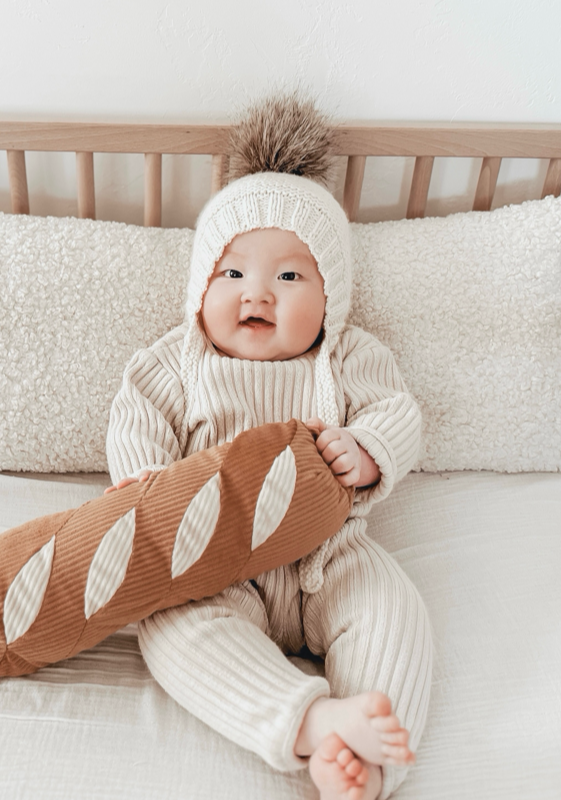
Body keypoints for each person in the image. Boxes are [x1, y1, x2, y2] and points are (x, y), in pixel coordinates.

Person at [104, 94, 432, 800]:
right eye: (233, 273)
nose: (258, 293)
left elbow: (398, 411)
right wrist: (148, 484)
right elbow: (136, 419)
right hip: (215, 560)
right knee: (170, 625)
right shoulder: (176, 360)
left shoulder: (346, 357)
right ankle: (310, 722)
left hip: (329, 554)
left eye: (289, 276)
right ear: (200, 288)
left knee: (392, 610)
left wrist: (369, 447)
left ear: (330, 299)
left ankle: (372, 763)